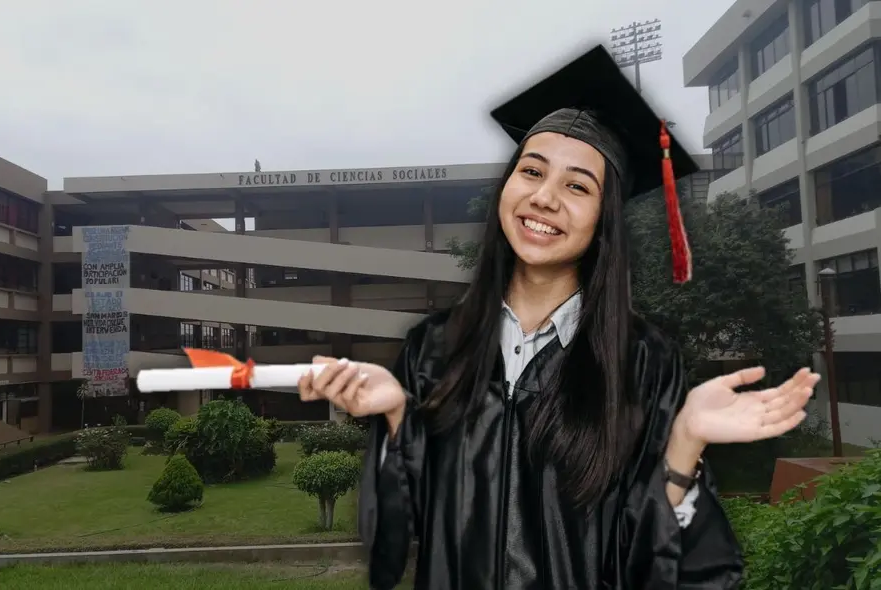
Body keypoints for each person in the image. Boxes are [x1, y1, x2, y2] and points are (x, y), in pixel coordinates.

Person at [296, 45, 819, 590]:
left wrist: (685, 442)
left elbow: (653, 559)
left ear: (604, 220)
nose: (543, 198)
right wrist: (398, 415)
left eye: (576, 186)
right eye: (531, 171)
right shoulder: (434, 347)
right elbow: (411, 530)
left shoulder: (643, 361)